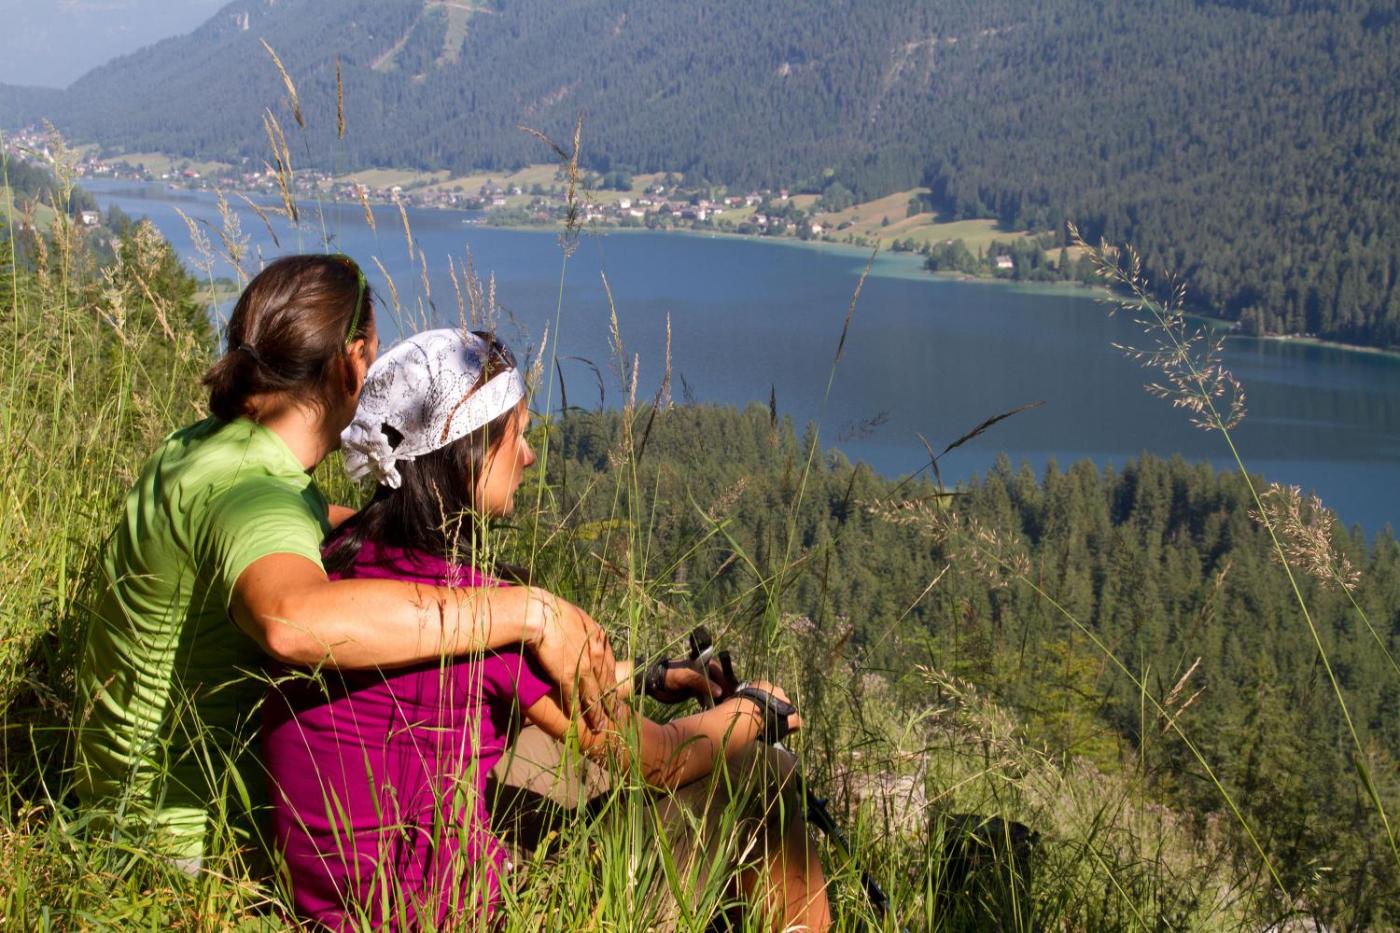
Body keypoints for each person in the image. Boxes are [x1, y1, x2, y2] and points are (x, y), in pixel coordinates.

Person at [264, 328, 831, 930]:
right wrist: (751, 711)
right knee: (764, 776)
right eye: (519, 436)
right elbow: (660, 760)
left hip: (331, 902)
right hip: (439, 913)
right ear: (471, 453)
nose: (529, 456)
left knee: (544, 758)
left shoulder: (331, 563)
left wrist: (648, 676)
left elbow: (506, 695)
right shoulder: (485, 617)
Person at [72, 255, 616, 869]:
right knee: (513, 761)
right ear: (351, 362)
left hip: (115, 804)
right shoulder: (255, 495)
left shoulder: (202, 448)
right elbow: (291, 620)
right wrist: (530, 612)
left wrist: (393, 530)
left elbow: (303, 521)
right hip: (190, 839)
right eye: (374, 353)